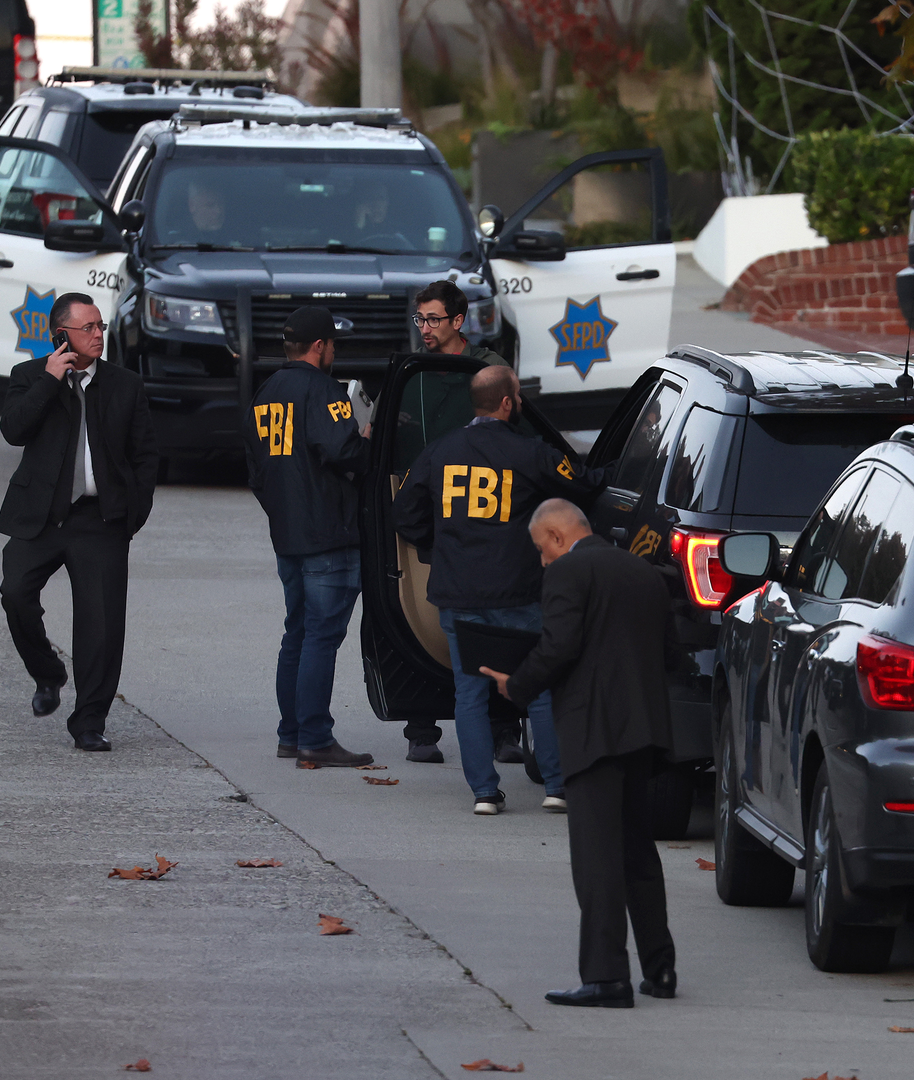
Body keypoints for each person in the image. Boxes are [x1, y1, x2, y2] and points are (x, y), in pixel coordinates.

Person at [481, 499, 676, 1008]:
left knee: (596, 858)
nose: (543, 562)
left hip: (593, 730)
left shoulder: (568, 572)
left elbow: (560, 644)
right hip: (644, 731)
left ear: (557, 535)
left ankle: (606, 977)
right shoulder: (645, 572)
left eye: (541, 550)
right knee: (637, 852)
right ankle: (661, 969)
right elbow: (668, 650)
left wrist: (515, 685)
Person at [393, 367, 601, 812]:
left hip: (457, 592)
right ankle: (556, 788)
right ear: (507, 403)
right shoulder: (530, 452)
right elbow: (584, 484)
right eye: (519, 396)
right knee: (539, 688)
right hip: (519, 593)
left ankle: (485, 794)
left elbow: (404, 514)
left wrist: (442, 544)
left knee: (468, 693)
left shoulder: (439, 451)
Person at [0, 293, 157, 752]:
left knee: (101, 625)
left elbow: (146, 456)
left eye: (100, 326)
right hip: (41, 517)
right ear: (60, 335)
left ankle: (89, 721)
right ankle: (48, 673)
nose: (98, 335)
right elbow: (14, 431)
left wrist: (132, 515)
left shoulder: (124, 385)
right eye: (87, 328)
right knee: (15, 593)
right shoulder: (28, 377)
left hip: (100, 520)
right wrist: (49, 381)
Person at [246, 306, 376, 768]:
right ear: (320, 347)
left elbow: (256, 472)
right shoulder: (324, 389)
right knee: (321, 636)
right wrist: (366, 439)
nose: (334, 352)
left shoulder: (266, 392)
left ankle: (292, 734)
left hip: (289, 534)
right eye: (333, 344)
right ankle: (315, 739)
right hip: (328, 536)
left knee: (297, 634)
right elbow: (343, 450)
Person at [414, 280, 509, 368]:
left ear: (457, 322)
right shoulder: (412, 366)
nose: (425, 330)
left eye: (434, 320)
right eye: (420, 319)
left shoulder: (490, 366)